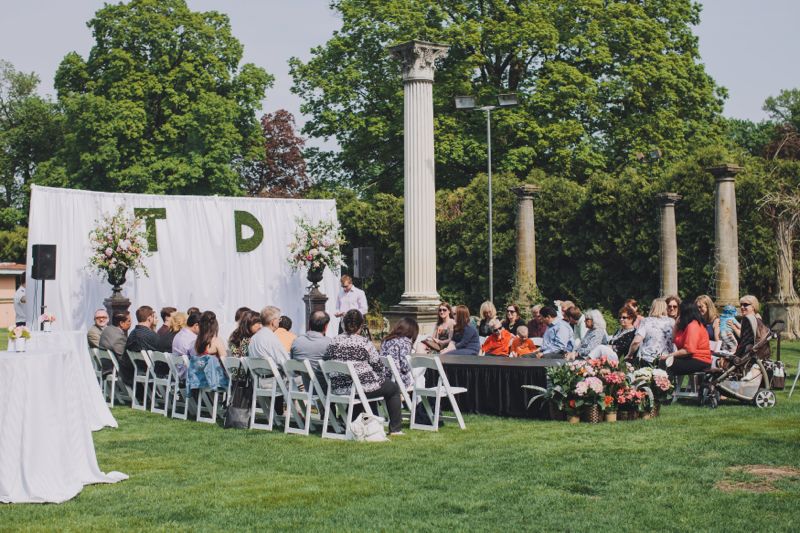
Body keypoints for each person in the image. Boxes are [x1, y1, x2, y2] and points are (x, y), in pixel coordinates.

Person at [324, 310, 403, 436]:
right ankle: (395, 429)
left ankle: (364, 422)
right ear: (361, 326)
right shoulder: (364, 343)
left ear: (343, 324)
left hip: (338, 388)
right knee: (393, 389)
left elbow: (326, 361)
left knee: (368, 386)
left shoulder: (333, 341)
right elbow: (378, 366)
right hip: (359, 389)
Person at [660, 301, 711, 376]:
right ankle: (672, 386)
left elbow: (688, 350)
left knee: (665, 363)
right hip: (690, 358)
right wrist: (676, 325)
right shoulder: (686, 325)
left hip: (700, 360)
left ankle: (666, 386)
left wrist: (669, 355)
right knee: (665, 361)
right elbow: (674, 339)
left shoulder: (693, 325)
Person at [186, 311, 229, 393]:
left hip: (200, 379)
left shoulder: (196, 342)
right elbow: (225, 362)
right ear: (215, 326)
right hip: (215, 381)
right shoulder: (216, 341)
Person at [290, 310, 332, 392]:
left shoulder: (297, 342)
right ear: (326, 327)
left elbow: (295, 369)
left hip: (306, 388)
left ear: (309, 324)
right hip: (326, 390)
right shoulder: (330, 343)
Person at [626, 298, 675, 367]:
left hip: (648, 359)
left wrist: (629, 355)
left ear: (653, 308)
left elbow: (636, 342)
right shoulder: (672, 322)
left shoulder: (646, 321)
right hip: (667, 360)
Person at [380, 317, 419, 388]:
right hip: (398, 381)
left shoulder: (386, 340)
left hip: (385, 378)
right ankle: (417, 397)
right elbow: (405, 367)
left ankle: (412, 397)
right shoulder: (405, 342)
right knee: (420, 372)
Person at [731, 295, 770, 360]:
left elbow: (744, 343)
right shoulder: (757, 319)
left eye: (745, 305)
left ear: (753, 307)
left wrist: (733, 356)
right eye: (741, 305)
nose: (742, 307)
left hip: (748, 357)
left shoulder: (748, 320)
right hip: (759, 356)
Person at [99, 311, 133, 383]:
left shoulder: (107, 329)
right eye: (129, 321)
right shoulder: (118, 338)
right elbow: (124, 359)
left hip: (105, 367)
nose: (131, 323)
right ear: (121, 323)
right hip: (113, 370)